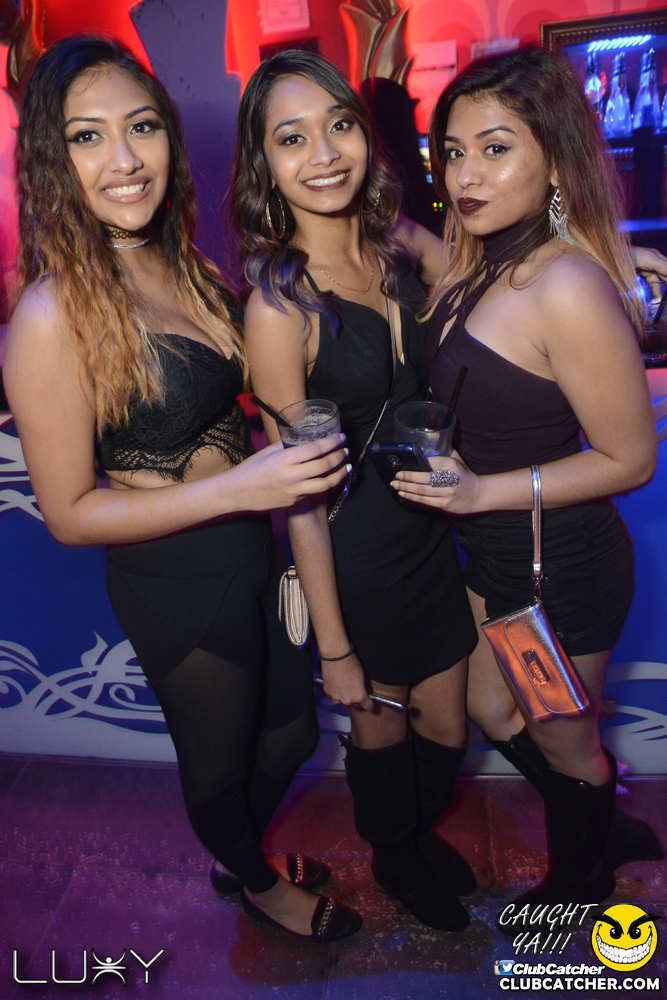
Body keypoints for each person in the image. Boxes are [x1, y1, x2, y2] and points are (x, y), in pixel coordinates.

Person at [3, 35, 362, 943]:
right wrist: (245, 487)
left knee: (291, 736)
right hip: (175, 584)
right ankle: (257, 881)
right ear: (51, 159)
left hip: (254, 553)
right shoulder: (50, 313)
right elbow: (69, 515)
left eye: (142, 127)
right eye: (87, 137)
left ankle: (239, 855)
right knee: (217, 766)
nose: (124, 159)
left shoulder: (185, 263)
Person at [392, 47, 661, 911]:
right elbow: (412, 248)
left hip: (560, 569)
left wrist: (479, 493)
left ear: (552, 158)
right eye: (453, 152)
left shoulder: (565, 284)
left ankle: (581, 880)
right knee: (492, 709)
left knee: (564, 744)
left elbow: (629, 460)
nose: (465, 174)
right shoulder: (478, 262)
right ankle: (600, 826)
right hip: (496, 557)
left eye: (495, 148)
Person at [232, 50, 478, 932]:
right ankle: (396, 851)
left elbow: (494, 277)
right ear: (264, 164)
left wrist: (600, 254)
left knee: (448, 725)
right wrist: (332, 647)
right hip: (354, 554)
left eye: (338, 126)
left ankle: (411, 830)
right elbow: (295, 495)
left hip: (430, 532)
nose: (324, 153)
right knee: (383, 728)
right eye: (291, 138)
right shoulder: (280, 305)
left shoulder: (397, 244)